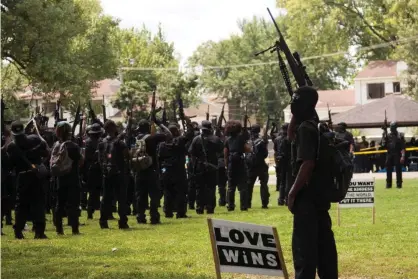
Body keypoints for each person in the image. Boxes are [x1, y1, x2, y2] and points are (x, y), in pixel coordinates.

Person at [287, 86, 338, 279]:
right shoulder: (316, 126)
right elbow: (290, 136)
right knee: (324, 246)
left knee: (304, 251)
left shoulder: (306, 128)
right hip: (320, 195)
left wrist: (292, 194)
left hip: (306, 197)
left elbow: (307, 164)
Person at [4, 121, 50, 239]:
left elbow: (10, 166)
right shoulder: (35, 138)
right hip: (37, 176)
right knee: (39, 203)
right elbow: (46, 153)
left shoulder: (11, 147)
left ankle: (18, 231)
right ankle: (39, 232)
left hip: (22, 177)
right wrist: (38, 164)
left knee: (21, 205)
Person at [134, 119, 170, 224]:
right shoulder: (152, 138)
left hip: (139, 170)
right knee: (154, 195)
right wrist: (159, 123)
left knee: (140, 195)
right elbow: (168, 134)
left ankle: (140, 216)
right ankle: (154, 216)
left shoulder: (135, 138)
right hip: (151, 170)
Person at [51, 121, 84, 235]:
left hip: (60, 179)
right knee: (73, 205)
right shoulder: (73, 146)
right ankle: (75, 229)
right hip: (73, 178)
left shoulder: (56, 145)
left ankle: (59, 229)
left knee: (59, 204)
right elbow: (80, 161)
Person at [98, 120, 130, 229]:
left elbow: (100, 159)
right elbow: (127, 155)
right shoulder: (120, 143)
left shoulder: (102, 142)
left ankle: (103, 221)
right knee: (121, 198)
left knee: (106, 198)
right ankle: (123, 222)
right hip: (119, 173)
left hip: (106, 173)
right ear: (113, 128)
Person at [157, 123, 191, 218]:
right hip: (178, 171)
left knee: (168, 192)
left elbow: (159, 159)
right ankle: (180, 212)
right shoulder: (179, 141)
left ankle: (168, 211)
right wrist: (188, 122)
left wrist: (161, 172)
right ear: (175, 132)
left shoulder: (162, 145)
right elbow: (189, 134)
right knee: (181, 192)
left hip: (166, 171)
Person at [189, 120, 223, 214]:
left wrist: (194, 165)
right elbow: (221, 150)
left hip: (199, 167)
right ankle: (210, 207)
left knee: (200, 188)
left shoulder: (196, 139)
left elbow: (192, 153)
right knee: (211, 188)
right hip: (212, 166)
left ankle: (200, 207)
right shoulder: (216, 139)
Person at [224, 120, 251, 212]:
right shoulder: (241, 138)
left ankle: (230, 206)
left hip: (231, 163)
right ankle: (243, 206)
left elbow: (225, 154)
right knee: (243, 186)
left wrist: (227, 165)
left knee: (231, 186)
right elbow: (247, 149)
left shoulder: (227, 140)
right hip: (240, 161)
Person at [246, 124, 270, 209]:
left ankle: (247, 203)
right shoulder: (261, 141)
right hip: (260, 165)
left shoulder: (247, 141)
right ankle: (264, 203)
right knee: (263, 184)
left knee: (249, 185)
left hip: (250, 166)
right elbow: (265, 154)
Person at [84, 123, 103, 219]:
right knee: (93, 192)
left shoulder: (100, 142)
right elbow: (87, 157)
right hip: (92, 169)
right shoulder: (89, 142)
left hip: (99, 168)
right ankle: (90, 211)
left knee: (97, 191)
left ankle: (95, 208)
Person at [382, 122, 405, 188]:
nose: (391, 128)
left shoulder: (400, 135)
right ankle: (388, 184)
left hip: (397, 154)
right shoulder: (388, 135)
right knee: (388, 170)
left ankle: (399, 184)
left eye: (392, 127)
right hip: (389, 154)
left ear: (395, 128)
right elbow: (383, 145)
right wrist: (384, 133)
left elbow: (403, 147)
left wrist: (403, 156)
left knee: (398, 170)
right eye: (390, 127)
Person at [275, 123, 291, 206]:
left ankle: (281, 199)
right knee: (288, 181)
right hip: (288, 161)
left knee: (282, 181)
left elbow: (275, 151)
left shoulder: (277, 139)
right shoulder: (289, 138)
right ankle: (287, 199)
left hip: (280, 161)